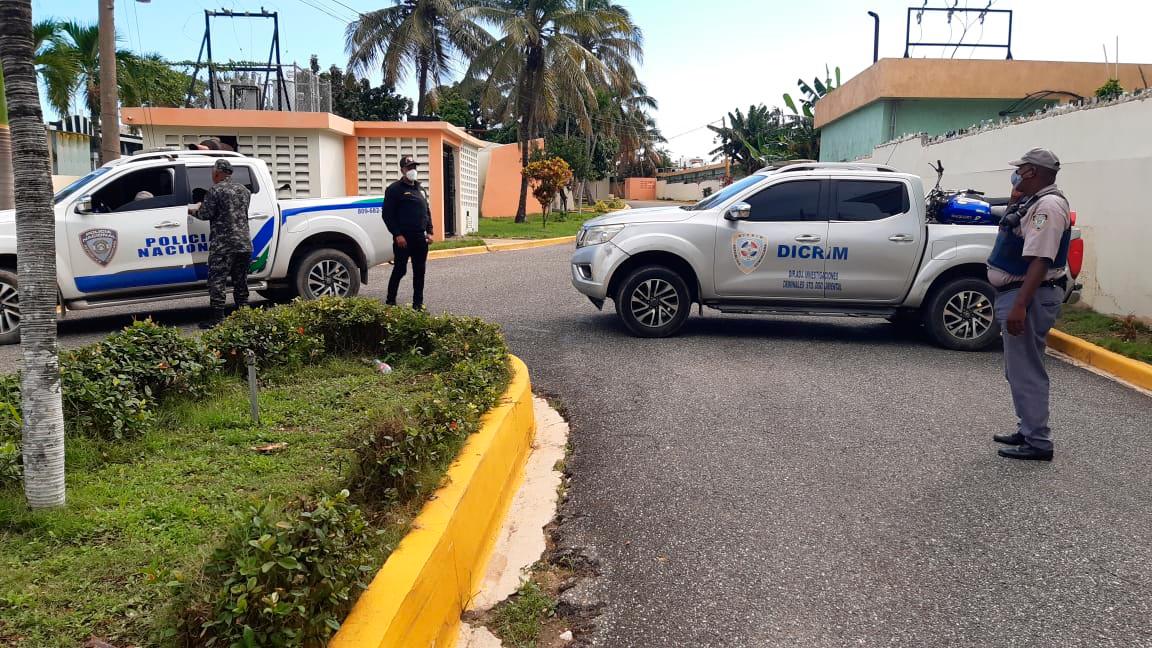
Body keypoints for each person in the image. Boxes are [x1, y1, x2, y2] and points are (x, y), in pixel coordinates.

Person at [987, 147, 1072, 461]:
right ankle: (1028, 428)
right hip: (1021, 293)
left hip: (1029, 295)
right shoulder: (1032, 202)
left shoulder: (1047, 207)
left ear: (1033, 172)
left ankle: (1038, 441)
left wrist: (1021, 305)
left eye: (1021, 170)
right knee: (1017, 369)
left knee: (1026, 371)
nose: (1017, 174)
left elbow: (1040, 259)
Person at [192, 159, 253, 328]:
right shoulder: (244, 190)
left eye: (213, 172)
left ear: (217, 172)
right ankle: (245, 317)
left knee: (217, 281)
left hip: (223, 245)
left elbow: (205, 214)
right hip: (244, 243)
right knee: (241, 281)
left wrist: (192, 210)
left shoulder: (215, 190)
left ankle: (218, 319)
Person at [382, 155, 434, 310]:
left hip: (420, 237)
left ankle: (417, 304)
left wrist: (430, 231)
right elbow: (387, 215)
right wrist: (397, 234)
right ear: (402, 170)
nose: (412, 170)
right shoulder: (394, 190)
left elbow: (427, 211)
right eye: (409, 167)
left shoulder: (420, 189)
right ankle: (390, 301)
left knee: (420, 271)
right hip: (403, 238)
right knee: (400, 269)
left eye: (414, 167)